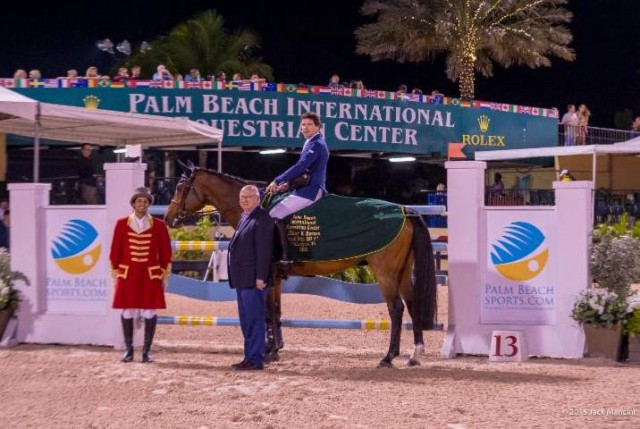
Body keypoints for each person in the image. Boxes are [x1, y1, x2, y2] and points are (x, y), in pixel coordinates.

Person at [110, 187, 172, 363]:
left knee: (149, 311)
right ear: (133, 204)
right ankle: (129, 351)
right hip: (127, 274)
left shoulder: (159, 225)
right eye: (139, 201)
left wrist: (162, 274)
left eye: (145, 201)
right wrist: (116, 273)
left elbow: (166, 252)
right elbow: (115, 250)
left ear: (149, 204)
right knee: (127, 310)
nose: (142, 204)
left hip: (149, 274)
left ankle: (146, 352)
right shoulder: (122, 223)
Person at [265, 112, 329, 275]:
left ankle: (286, 258)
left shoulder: (317, 144)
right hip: (303, 188)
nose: (305, 127)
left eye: (309, 124)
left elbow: (301, 166)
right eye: (303, 125)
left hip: (312, 190)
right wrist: (286, 185)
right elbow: (305, 172)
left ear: (318, 127)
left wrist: (278, 180)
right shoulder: (310, 142)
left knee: (274, 213)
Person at [227, 185, 275, 371]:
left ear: (258, 199)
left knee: (254, 320)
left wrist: (261, 277)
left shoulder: (262, 219)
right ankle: (249, 357)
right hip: (242, 279)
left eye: (249, 196)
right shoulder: (244, 218)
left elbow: (264, 251)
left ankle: (255, 359)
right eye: (242, 197)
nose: (245, 200)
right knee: (246, 320)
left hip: (255, 280)